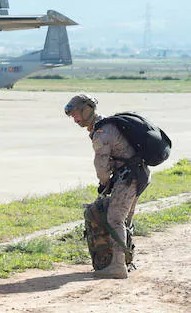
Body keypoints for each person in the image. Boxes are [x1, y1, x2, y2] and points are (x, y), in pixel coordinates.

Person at [64, 94, 151, 279]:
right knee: (125, 218)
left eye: (76, 114)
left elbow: (101, 165)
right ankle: (125, 260)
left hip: (129, 178)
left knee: (115, 219)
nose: (74, 118)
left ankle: (118, 266)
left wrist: (104, 183)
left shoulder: (101, 132)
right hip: (139, 174)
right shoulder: (107, 125)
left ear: (86, 110)